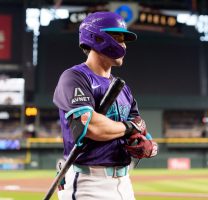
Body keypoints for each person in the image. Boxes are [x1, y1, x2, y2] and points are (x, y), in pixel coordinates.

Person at [53, 11, 158, 200]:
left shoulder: (122, 88)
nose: (123, 45)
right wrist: (128, 127)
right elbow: (92, 126)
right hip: (88, 183)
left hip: (124, 183)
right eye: (118, 37)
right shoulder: (75, 78)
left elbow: (140, 128)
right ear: (97, 37)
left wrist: (148, 144)